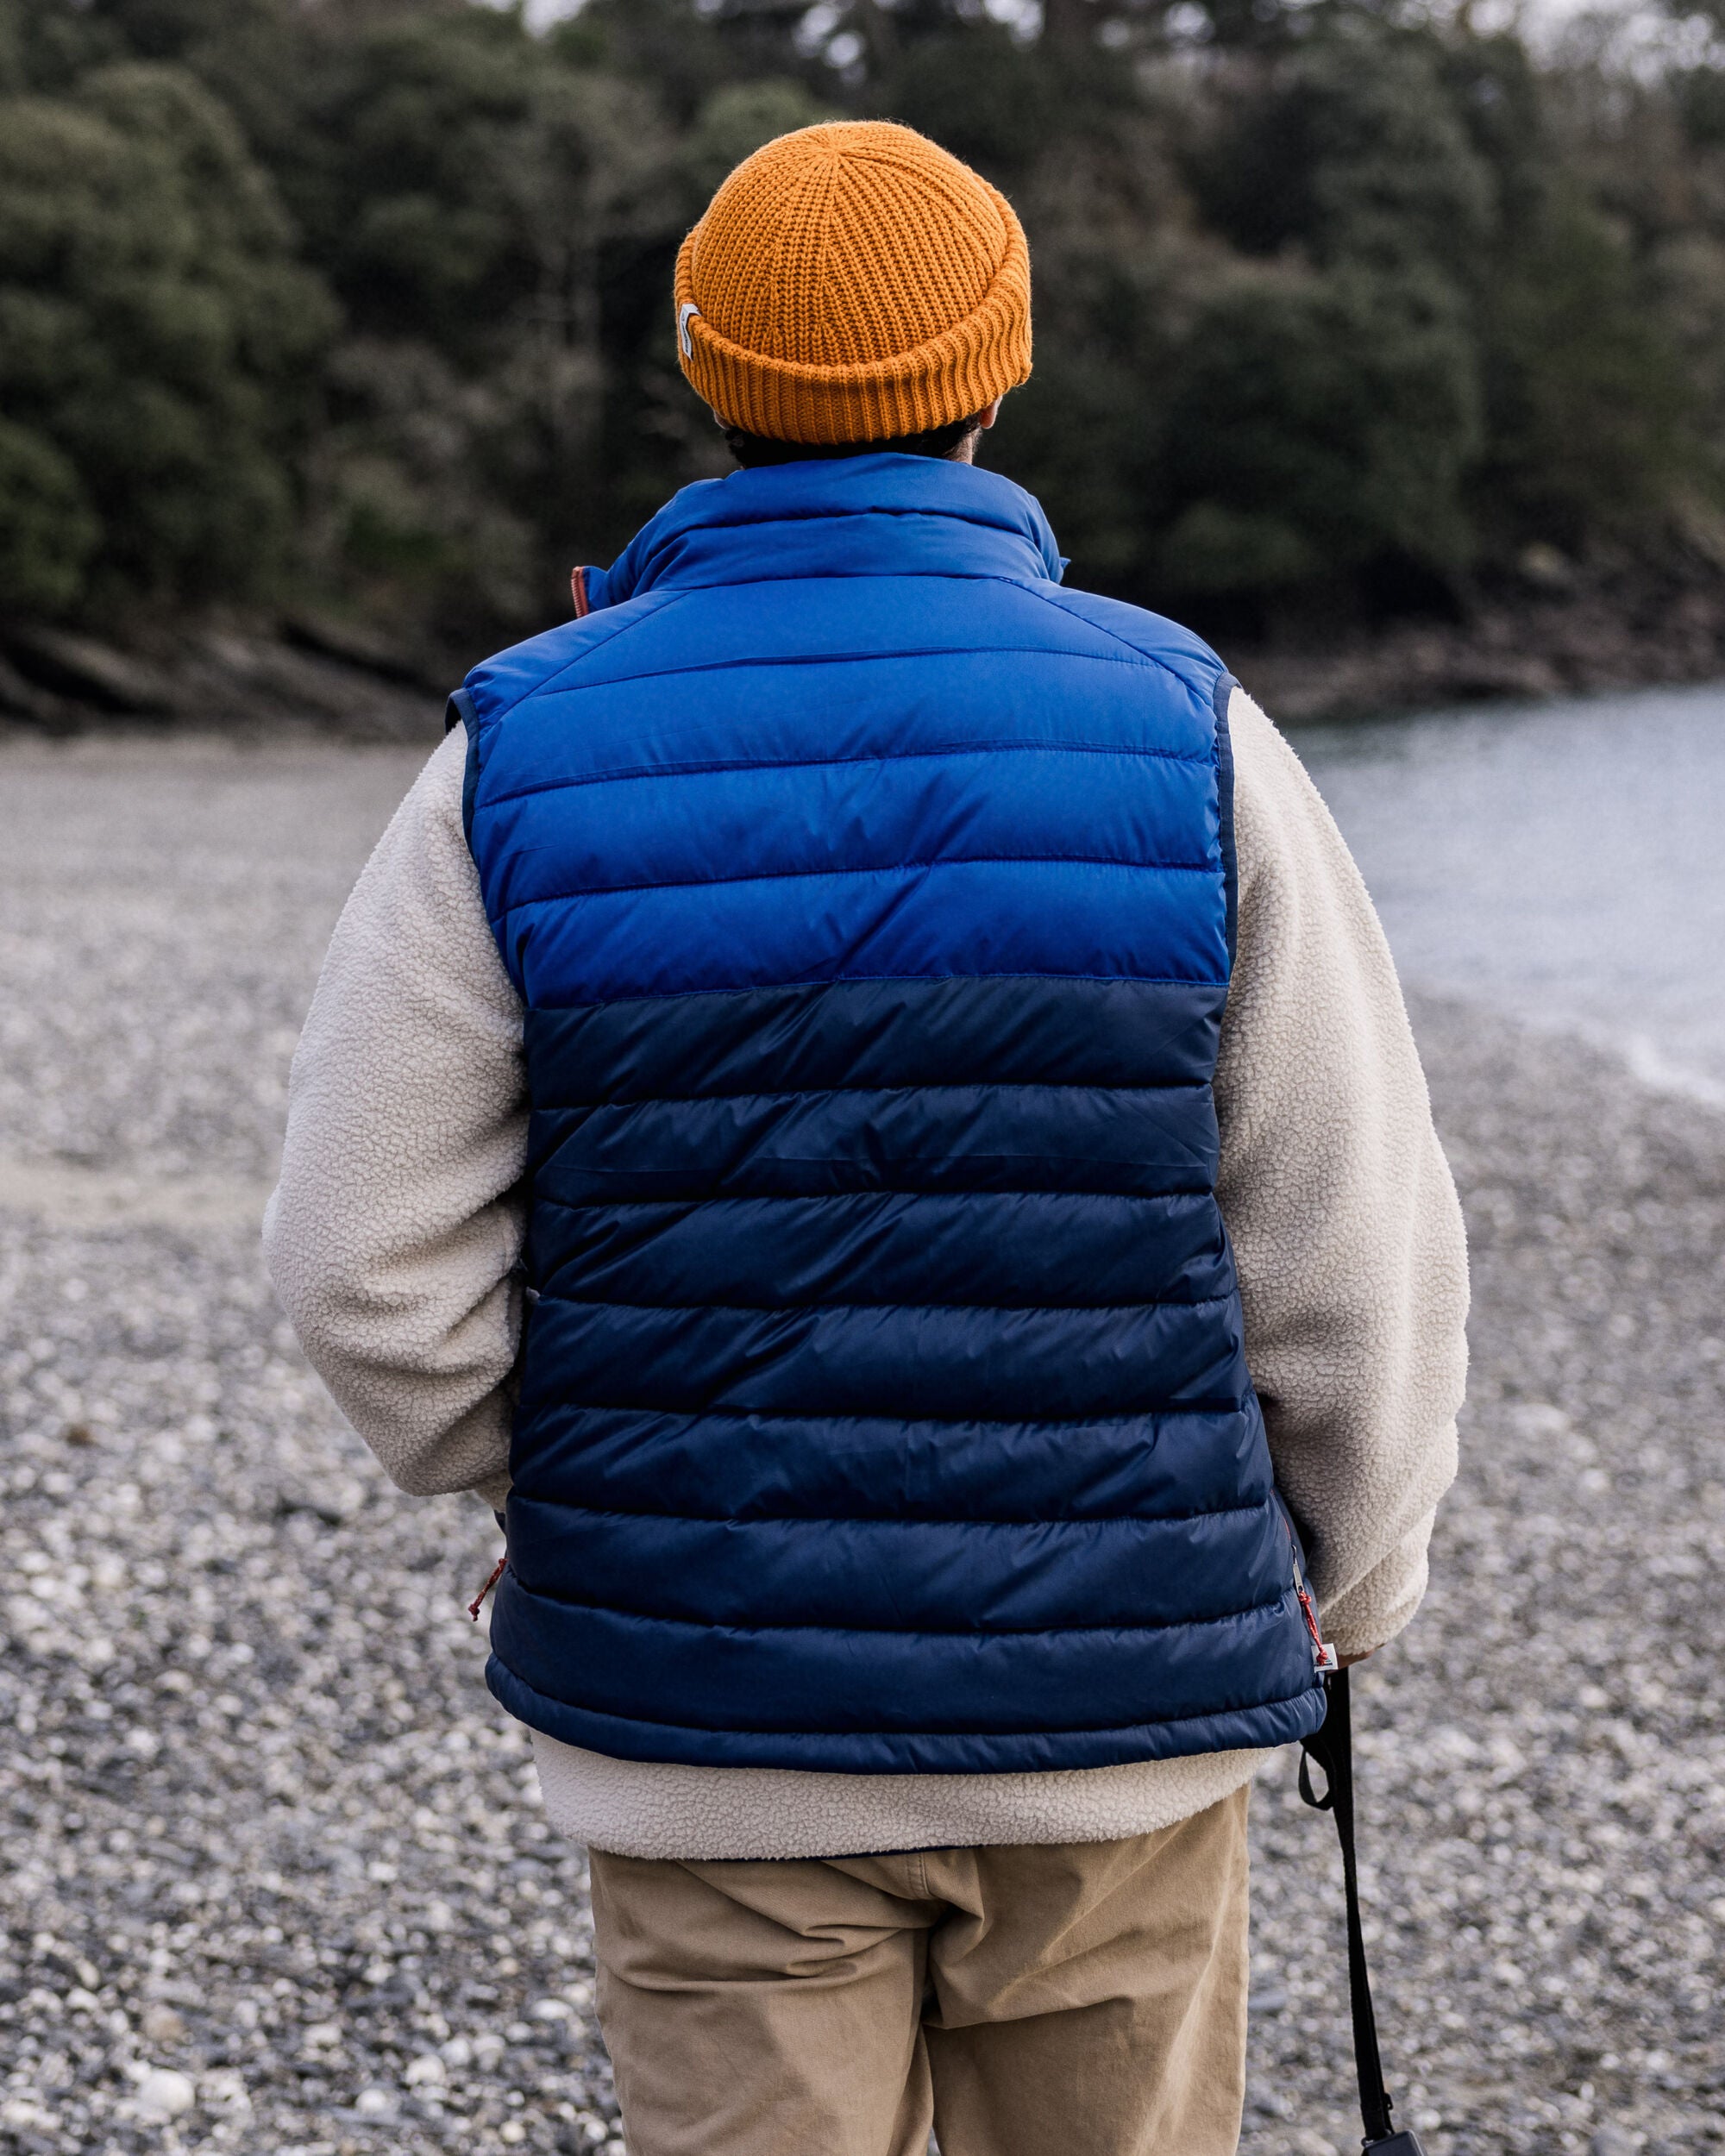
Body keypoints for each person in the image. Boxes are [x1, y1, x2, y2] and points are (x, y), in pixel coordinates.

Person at [266, 120, 1468, 2156]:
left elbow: (357, 1262)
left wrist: (567, 1471)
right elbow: (1347, 1244)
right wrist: (1355, 1574)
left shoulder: (517, 749)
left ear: (704, 373)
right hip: (1112, 1728)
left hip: (708, 1737)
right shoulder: (1186, 724)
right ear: (1001, 372)